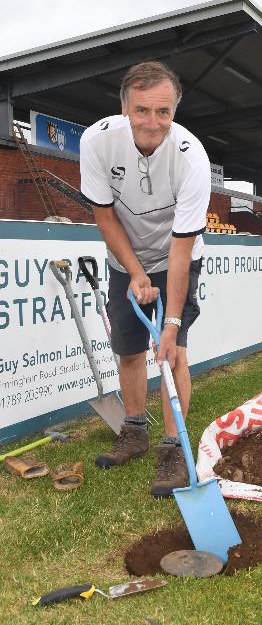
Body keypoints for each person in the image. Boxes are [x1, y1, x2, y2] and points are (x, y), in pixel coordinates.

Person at [79, 61, 211, 498]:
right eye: (142, 111)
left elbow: (180, 247)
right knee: (130, 351)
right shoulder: (96, 142)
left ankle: (172, 448)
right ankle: (134, 432)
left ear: (174, 110)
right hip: (124, 259)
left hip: (176, 255)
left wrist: (171, 324)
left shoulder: (192, 160)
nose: (152, 123)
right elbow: (103, 214)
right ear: (124, 107)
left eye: (163, 112)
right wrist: (135, 273)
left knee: (174, 354)